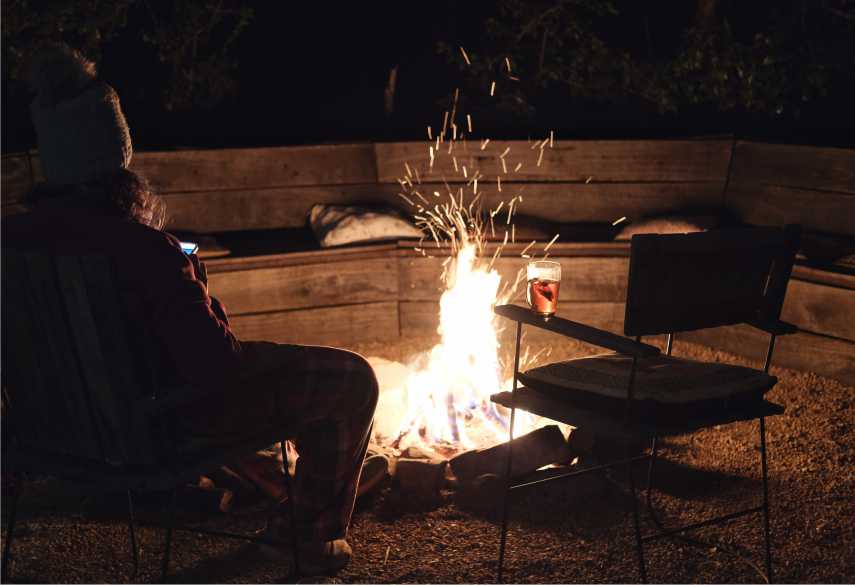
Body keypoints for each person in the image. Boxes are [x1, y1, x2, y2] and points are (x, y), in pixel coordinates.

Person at [2, 43, 378, 575]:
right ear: (119, 165)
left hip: (51, 433)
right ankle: (308, 538)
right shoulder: (143, 249)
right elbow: (216, 368)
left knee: (277, 378)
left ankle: (287, 493)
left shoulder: (10, 244)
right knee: (349, 378)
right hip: (154, 431)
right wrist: (199, 289)